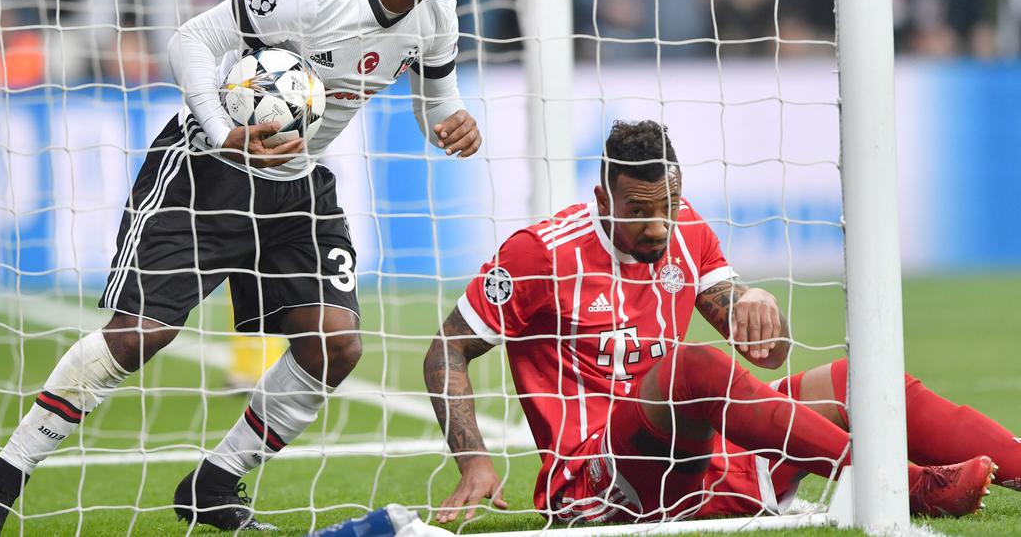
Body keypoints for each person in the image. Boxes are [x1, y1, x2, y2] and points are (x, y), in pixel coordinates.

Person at [0, 0, 481, 535]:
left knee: (334, 344)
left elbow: (438, 101)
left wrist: (454, 121)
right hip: (207, 170)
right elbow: (192, 40)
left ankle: (213, 483)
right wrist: (220, 127)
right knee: (139, 335)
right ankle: (2, 476)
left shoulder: (435, 18)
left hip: (297, 185)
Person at [424, 119, 1017, 525]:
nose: (659, 226)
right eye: (639, 212)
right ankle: (906, 486)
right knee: (695, 366)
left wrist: (760, 308)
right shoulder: (539, 253)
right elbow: (444, 349)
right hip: (595, 481)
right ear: (603, 201)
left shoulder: (685, 231)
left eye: (669, 207)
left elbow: (769, 351)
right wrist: (473, 458)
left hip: (691, 453)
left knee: (860, 379)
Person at [228, 0, 343, 388]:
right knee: (262, 200)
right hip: (275, 63)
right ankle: (251, 358)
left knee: (272, 197)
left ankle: (260, 349)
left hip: (293, 59)